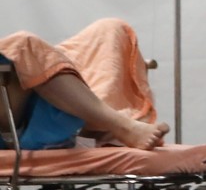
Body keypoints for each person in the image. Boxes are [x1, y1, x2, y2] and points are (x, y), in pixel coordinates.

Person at [0, 18, 170, 151]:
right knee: (21, 45)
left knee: (110, 29)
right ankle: (122, 126)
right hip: (12, 116)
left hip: (34, 99)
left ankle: (95, 125)